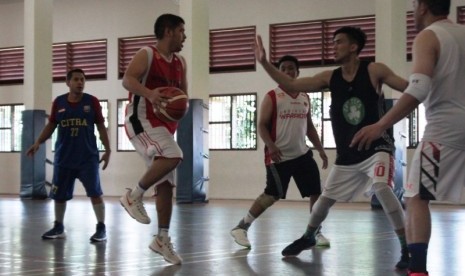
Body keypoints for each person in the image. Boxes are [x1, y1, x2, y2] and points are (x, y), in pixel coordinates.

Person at [254, 26, 411, 269]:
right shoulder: (330, 77)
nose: (333, 46)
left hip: (377, 148)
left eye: (338, 42)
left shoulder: (374, 70)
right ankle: (309, 236)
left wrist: (383, 125)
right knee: (324, 201)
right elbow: (290, 83)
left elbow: (410, 90)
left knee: (381, 187)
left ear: (353, 47)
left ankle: (406, 248)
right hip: (348, 155)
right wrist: (264, 62)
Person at [350, 1, 465, 275]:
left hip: (445, 129)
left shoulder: (429, 36)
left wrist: (381, 124)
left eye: (414, 5)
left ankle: (418, 270)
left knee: (415, 196)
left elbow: (420, 87)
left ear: (423, 6)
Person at [230, 55, 330, 249]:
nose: (287, 72)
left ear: (297, 72)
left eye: (291, 68)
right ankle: (241, 227)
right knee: (271, 195)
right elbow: (261, 125)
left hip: (302, 154)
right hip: (279, 156)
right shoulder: (272, 96)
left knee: (316, 192)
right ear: (278, 72)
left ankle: (315, 232)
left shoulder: (304, 96)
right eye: (283, 68)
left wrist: (320, 149)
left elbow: (309, 127)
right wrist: (271, 145)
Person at [119, 13, 187, 265]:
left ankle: (162, 239)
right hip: (141, 120)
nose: (185, 36)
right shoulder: (146, 54)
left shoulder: (180, 62)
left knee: (166, 185)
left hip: (163, 126)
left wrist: (176, 106)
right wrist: (150, 94)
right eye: (181, 30)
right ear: (168, 31)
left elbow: (184, 95)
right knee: (175, 155)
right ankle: (133, 196)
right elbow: (127, 80)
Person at [26, 68, 111, 243]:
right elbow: (51, 126)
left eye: (83, 80)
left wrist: (108, 150)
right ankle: (58, 226)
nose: (80, 82)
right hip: (64, 158)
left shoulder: (92, 102)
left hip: (87, 158)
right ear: (68, 82)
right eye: (77, 79)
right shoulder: (59, 102)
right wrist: (38, 142)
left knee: (95, 192)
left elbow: (102, 127)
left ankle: (101, 228)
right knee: (59, 195)